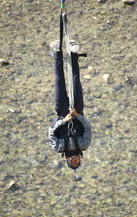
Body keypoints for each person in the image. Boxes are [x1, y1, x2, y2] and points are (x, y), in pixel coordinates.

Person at [48, 40, 92, 170]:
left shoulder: (58, 147)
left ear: (67, 159)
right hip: (77, 108)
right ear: (79, 159)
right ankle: (73, 54)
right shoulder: (83, 145)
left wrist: (64, 121)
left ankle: (57, 51)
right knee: (75, 81)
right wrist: (77, 116)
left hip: (61, 111)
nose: (74, 160)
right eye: (76, 162)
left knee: (59, 81)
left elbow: (51, 133)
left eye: (71, 162)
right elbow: (88, 128)